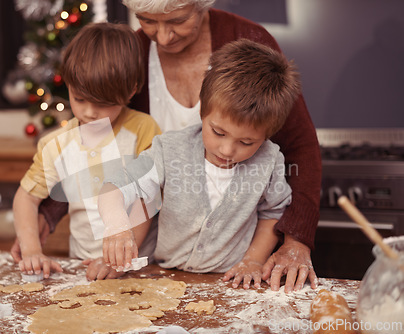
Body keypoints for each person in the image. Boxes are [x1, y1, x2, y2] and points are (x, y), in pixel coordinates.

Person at [22, 0, 322, 292]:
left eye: (177, 20)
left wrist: (296, 241)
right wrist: (47, 213)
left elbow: (300, 147)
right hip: (156, 257)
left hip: (227, 271)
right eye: (148, 20)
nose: (163, 37)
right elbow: (98, 139)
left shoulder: (251, 44)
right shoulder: (132, 55)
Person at [99, 39, 299, 289]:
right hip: (164, 276)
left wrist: (253, 261)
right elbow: (114, 188)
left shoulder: (270, 160)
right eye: (218, 132)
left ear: (267, 134)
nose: (227, 150)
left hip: (230, 283)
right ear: (203, 111)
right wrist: (117, 228)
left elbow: (273, 213)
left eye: (247, 142)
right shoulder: (169, 149)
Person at [12, 22, 161, 280]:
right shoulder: (56, 145)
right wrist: (32, 250)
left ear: (132, 88)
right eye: (79, 98)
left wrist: (120, 260)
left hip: (142, 268)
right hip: (83, 269)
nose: (90, 112)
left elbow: (146, 198)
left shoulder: (143, 130)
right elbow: (26, 198)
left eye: (104, 103)